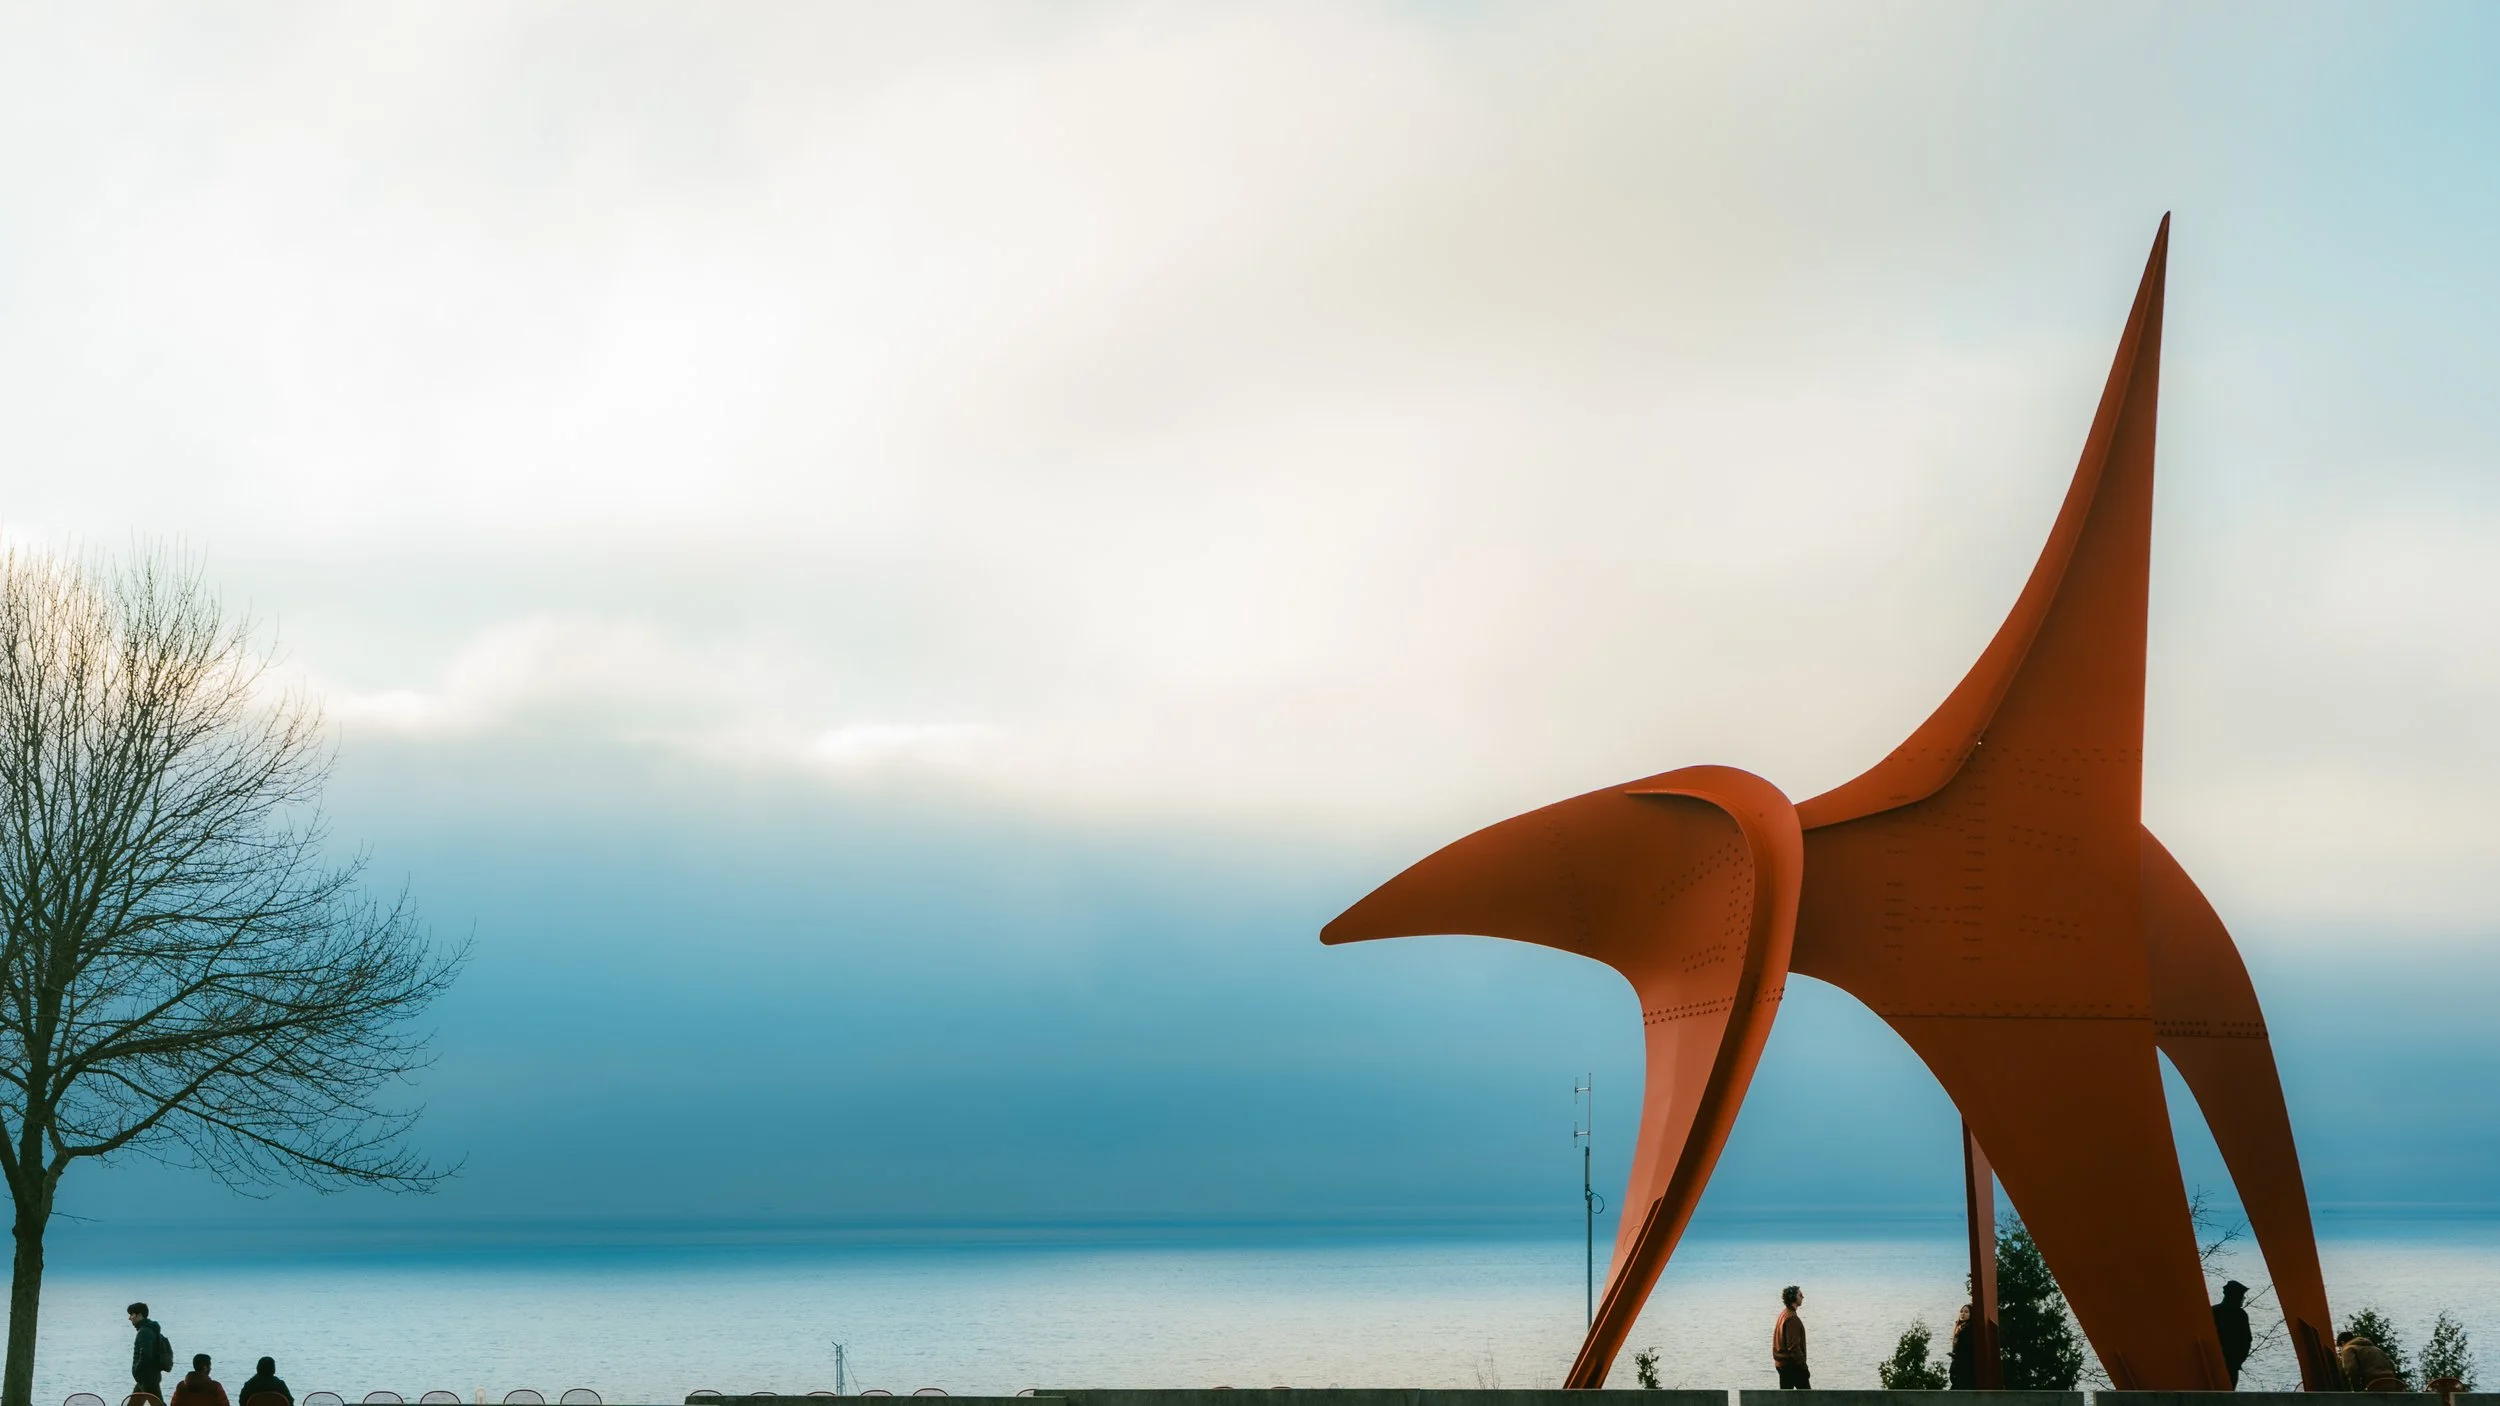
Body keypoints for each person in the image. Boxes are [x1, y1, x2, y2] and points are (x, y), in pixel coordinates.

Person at [2211, 1280, 2252, 1387]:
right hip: (2232, 1365)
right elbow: (2246, 1340)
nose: (2243, 1298)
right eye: (2242, 1296)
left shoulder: (2213, 1311)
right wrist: (2237, 1362)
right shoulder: (2240, 1315)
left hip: (2212, 1363)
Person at [128, 1303, 171, 1403]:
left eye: (131, 1314)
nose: (129, 1318)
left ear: (139, 1315)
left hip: (146, 1377)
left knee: (157, 1403)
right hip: (147, 1377)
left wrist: (138, 1371)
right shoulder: (149, 1329)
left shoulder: (144, 1332)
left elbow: (146, 1355)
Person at [2338, 1331, 2405, 1392]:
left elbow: (2351, 1369)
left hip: (2373, 1385)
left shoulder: (2348, 1349)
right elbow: (2392, 1366)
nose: (2340, 1350)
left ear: (2342, 1343)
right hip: (2392, 1384)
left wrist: (2356, 1389)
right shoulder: (2377, 1349)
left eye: (2339, 1348)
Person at [1772, 1284, 1810, 1390]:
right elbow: (1793, 1347)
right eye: (1800, 1295)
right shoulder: (1792, 1318)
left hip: (1782, 1365)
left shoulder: (1783, 1315)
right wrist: (1804, 1367)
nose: (1803, 1297)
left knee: (1786, 1400)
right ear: (1793, 1297)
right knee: (1807, 1399)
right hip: (1793, 1366)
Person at [1948, 1303, 1977, 1390]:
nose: (1963, 1314)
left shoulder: (1968, 1329)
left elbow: (1966, 1348)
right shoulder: (1960, 1328)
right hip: (1958, 1363)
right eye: (1961, 1311)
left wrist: (1955, 1355)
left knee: (1959, 1387)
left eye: (1966, 1312)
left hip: (1964, 1365)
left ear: (1971, 1314)